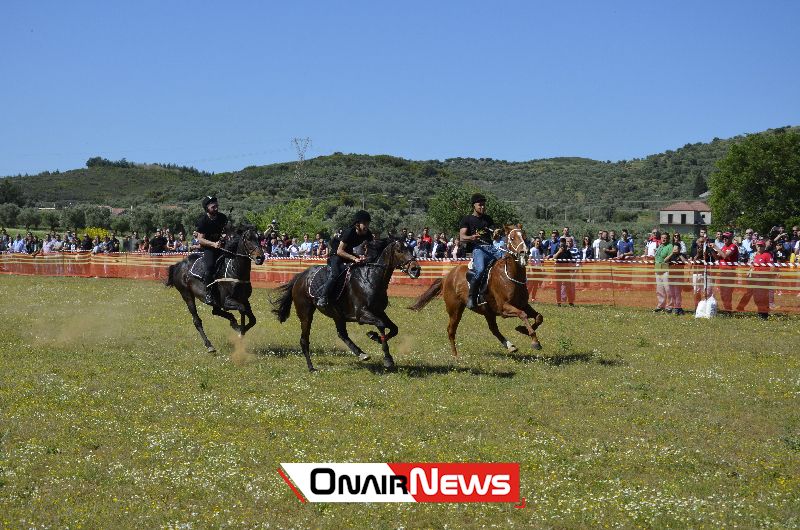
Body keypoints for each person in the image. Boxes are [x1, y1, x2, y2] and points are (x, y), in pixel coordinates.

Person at [316, 210, 373, 307]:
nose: (367, 226)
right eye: (365, 223)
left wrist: (365, 256)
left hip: (349, 253)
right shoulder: (349, 232)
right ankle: (323, 297)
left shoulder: (367, 233)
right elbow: (340, 251)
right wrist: (354, 258)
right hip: (336, 254)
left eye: (368, 223)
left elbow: (372, 247)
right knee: (335, 274)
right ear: (357, 224)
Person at [459, 194, 502, 308]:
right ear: (474, 205)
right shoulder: (467, 219)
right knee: (481, 270)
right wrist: (471, 237)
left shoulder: (488, 218)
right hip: (478, 249)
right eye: (480, 205)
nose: (482, 207)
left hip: (492, 248)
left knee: (506, 262)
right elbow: (462, 237)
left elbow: (495, 235)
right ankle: (471, 297)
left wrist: (496, 234)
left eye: (484, 205)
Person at [195, 196, 229, 305]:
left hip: (222, 245)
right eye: (213, 206)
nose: (216, 208)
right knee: (209, 267)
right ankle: (208, 292)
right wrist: (213, 244)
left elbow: (227, 231)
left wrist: (225, 235)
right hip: (209, 248)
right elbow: (200, 239)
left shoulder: (222, 217)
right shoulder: (202, 221)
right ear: (207, 208)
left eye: (216, 206)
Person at [717, 231, 739, 312]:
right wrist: (711, 250)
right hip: (722, 272)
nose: (724, 239)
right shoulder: (723, 247)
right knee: (722, 292)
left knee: (727, 292)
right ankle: (726, 308)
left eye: (727, 238)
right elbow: (718, 257)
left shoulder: (733, 246)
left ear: (730, 238)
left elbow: (725, 256)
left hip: (729, 273)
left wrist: (716, 247)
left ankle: (728, 310)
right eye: (723, 238)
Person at [653, 232, 673, 313]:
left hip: (666, 269)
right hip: (657, 269)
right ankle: (661, 305)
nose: (663, 239)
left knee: (668, 289)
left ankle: (670, 306)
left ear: (668, 239)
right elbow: (657, 257)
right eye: (662, 238)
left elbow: (670, 256)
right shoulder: (660, 246)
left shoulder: (670, 246)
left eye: (665, 238)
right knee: (659, 289)